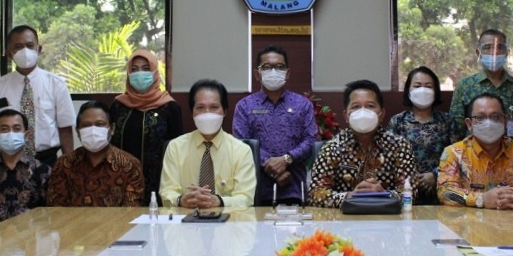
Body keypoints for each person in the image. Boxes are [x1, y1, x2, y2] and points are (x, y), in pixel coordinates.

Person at [0, 25, 75, 173]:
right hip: (7, 162)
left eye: (30, 46)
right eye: (18, 47)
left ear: (39, 49)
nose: (25, 51)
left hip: (47, 160)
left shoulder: (56, 84)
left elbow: (65, 129)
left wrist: (69, 168)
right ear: (9, 53)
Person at [309, 79, 419, 208]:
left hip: (388, 221)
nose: (363, 112)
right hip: (344, 223)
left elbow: (412, 194)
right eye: (356, 107)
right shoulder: (332, 148)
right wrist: (349, 197)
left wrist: (385, 195)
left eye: (370, 106)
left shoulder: (400, 146)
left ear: (382, 114)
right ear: (346, 115)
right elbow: (315, 194)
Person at [232, 45, 317, 205]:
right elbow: (242, 143)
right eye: (267, 67)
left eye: (279, 67)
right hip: (255, 189)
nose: (273, 71)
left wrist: (286, 159)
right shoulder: (244, 106)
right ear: (257, 74)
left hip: (294, 187)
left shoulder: (303, 104)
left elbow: (311, 140)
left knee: (296, 230)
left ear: (287, 73)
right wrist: (272, 168)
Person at [160, 79, 256, 209]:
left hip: (228, 224)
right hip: (185, 223)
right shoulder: (175, 147)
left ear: (224, 111)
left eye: (214, 107)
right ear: (192, 112)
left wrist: (219, 201)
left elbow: (246, 198)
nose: (207, 113)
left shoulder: (242, 151)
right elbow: (167, 191)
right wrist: (181, 200)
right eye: (200, 108)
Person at [438, 93, 513, 209]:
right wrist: (480, 199)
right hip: (468, 224)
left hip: (511, 222)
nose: (488, 123)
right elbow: (445, 193)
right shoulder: (453, 153)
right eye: (480, 117)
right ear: (469, 124)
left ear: (505, 121)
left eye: (495, 117)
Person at [110, 49, 183, 206]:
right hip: (122, 181)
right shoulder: (118, 105)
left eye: (145, 68)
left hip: (159, 182)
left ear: (155, 72)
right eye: (134, 69)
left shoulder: (169, 107)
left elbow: (178, 149)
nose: (139, 74)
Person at [448, 29, 513, 154]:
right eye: (487, 47)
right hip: (473, 160)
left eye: (499, 47)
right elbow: (455, 131)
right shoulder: (464, 86)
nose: (494, 52)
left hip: (512, 160)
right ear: (478, 52)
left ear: (506, 52)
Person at [47, 101, 145, 207]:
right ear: (78, 131)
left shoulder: (129, 165)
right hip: (73, 223)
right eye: (86, 125)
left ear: (112, 129)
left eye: (100, 124)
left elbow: (131, 212)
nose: (93, 130)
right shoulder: (64, 164)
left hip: (116, 223)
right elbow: (56, 210)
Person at [387, 66, 454, 204]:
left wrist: (435, 175)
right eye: (417, 86)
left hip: (442, 192)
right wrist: (410, 178)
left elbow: (458, 155)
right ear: (408, 91)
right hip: (405, 193)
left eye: (428, 86)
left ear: (436, 91)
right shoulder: (397, 121)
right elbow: (389, 157)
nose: (422, 90)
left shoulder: (447, 121)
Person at [0, 109, 50, 222]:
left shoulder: (43, 172)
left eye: (16, 129)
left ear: (27, 135)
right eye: (4, 129)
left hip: (32, 236)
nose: (11, 134)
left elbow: (50, 214)